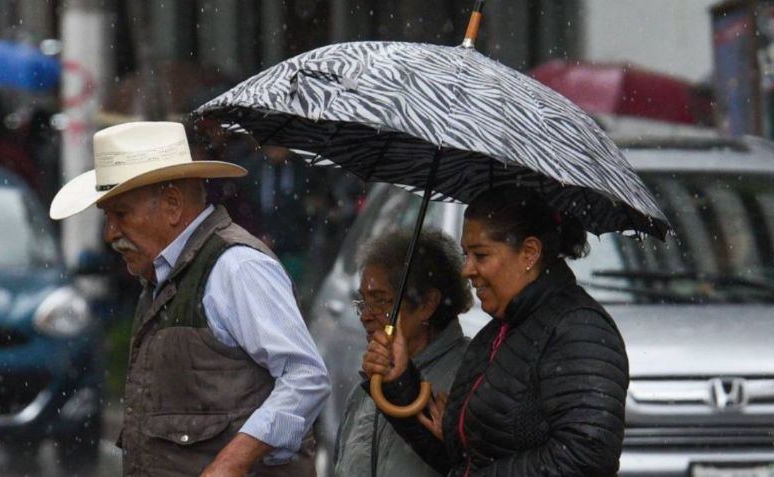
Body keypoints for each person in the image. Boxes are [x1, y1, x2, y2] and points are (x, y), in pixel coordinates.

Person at [49, 121, 330, 477]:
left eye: (121, 214)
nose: (110, 234)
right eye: (107, 218)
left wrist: (230, 464)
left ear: (171, 204)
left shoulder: (237, 267)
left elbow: (305, 377)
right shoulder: (162, 278)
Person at [362, 186, 630, 476]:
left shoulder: (579, 330)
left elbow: (586, 457)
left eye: (481, 255)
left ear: (529, 253)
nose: (467, 270)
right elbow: (463, 462)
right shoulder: (496, 334)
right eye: (466, 254)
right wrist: (399, 381)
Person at [334, 229, 472, 477]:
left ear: (427, 304)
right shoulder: (365, 391)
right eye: (363, 302)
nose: (366, 315)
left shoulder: (468, 375)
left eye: (381, 301)